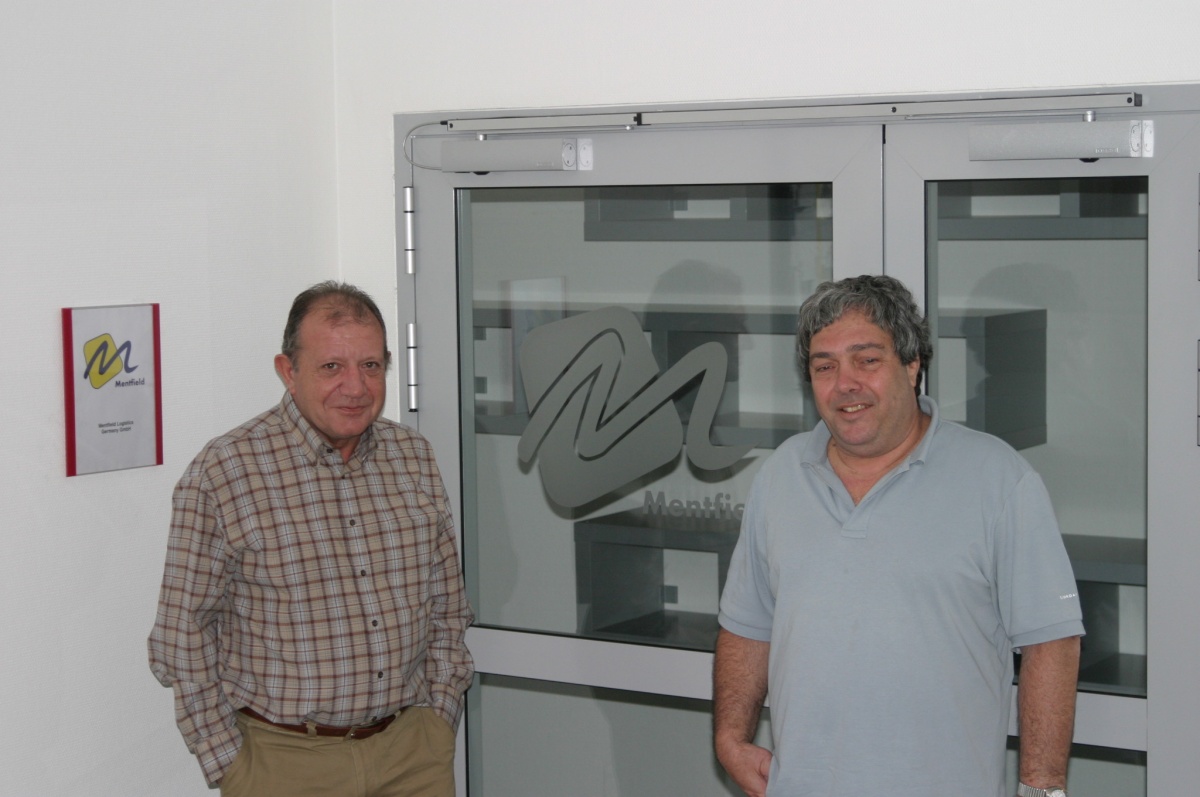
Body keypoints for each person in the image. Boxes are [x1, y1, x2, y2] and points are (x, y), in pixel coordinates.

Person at [713, 275, 1082, 797]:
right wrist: (730, 737)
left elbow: (1051, 641)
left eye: (867, 360)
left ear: (912, 366)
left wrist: (1041, 789)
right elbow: (747, 624)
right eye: (825, 367)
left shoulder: (998, 479)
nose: (845, 384)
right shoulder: (780, 476)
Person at [148, 281, 474, 796]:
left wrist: (439, 718)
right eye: (332, 367)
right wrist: (230, 764)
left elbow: (448, 607)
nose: (356, 386)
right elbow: (180, 635)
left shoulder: (413, 456)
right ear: (288, 370)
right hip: (285, 765)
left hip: (413, 754)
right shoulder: (227, 471)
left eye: (371, 365)